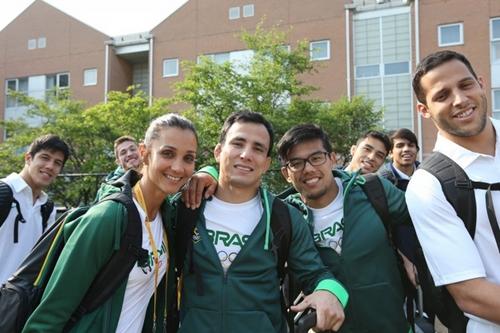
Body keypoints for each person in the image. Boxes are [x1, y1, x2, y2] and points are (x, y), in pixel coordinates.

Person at [23, 114, 198, 332]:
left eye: (188, 158)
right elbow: (49, 315)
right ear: (144, 153)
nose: (178, 168)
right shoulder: (108, 217)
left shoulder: (167, 216)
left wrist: (209, 173)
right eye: (167, 154)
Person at [176, 111, 347, 333]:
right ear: (218, 152)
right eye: (238, 143)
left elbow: (316, 274)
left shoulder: (285, 217)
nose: (246, 155)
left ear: (266, 164)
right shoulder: (186, 205)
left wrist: (330, 292)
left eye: (258, 148)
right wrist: (204, 173)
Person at [275, 123, 411, 333]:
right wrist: (208, 173)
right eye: (296, 163)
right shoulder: (284, 216)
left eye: (317, 157)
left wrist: (408, 251)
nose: (309, 168)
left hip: (394, 326)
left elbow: (424, 220)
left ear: (332, 158)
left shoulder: (373, 190)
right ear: (286, 173)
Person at [406, 50, 500, 332]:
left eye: (465, 85)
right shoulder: (428, 185)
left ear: (481, 83)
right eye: (442, 95)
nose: (460, 100)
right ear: (424, 110)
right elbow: (471, 294)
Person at [0, 134, 70, 284]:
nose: (50, 166)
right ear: (28, 158)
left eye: (57, 163)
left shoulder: (47, 208)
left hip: (18, 301)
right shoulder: (3, 191)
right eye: (45, 158)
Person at [95, 136, 142, 201]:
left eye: (132, 149)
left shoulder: (155, 174)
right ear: (118, 162)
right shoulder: (111, 188)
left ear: (141, 151)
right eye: (123, 153)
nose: (129, 154)